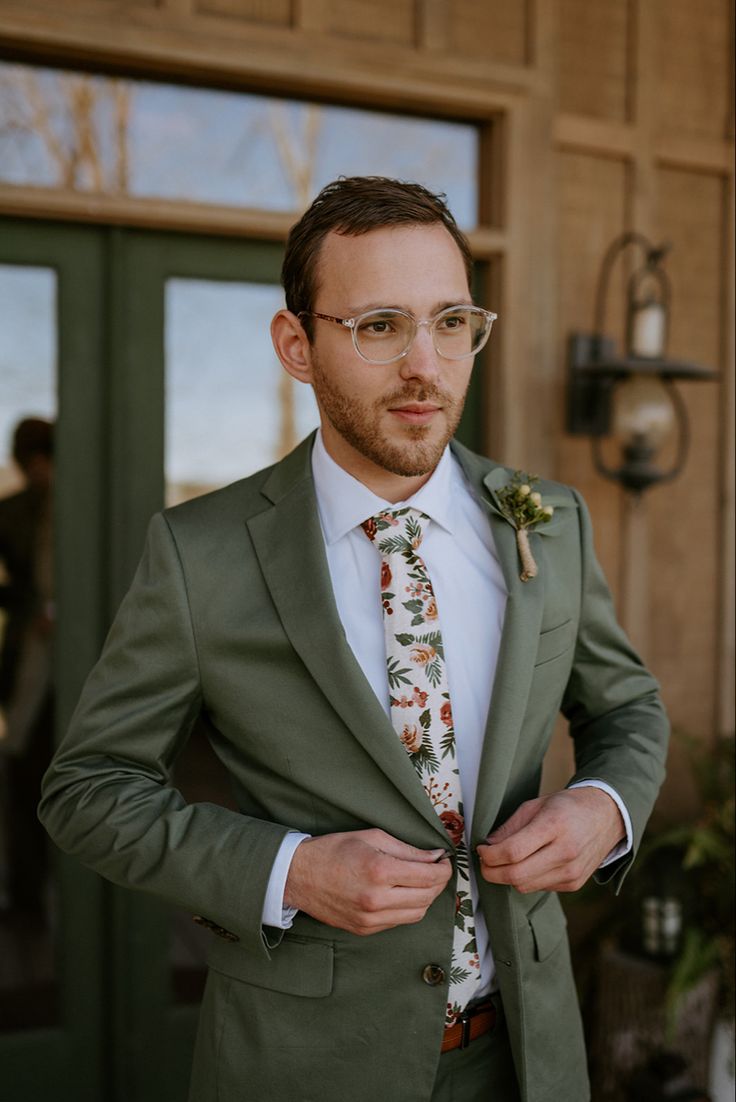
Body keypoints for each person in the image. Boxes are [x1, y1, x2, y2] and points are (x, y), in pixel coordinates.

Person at [39, 177, 669, 1102]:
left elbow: (628, 708)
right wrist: (288, 870)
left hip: (530, 1055)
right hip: (304, 1064)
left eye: (452, 321)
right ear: (298, 345)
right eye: (381, 325)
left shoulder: (549, 520)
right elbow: (88, 790)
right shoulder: (198, 554)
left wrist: (604, 809)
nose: (427, 364)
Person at [0, 417, 55, 922]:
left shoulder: (88, 510)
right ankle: (28, 900)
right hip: (32, 671)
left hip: (83, 670)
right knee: (26, 783)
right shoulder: (12, 513)